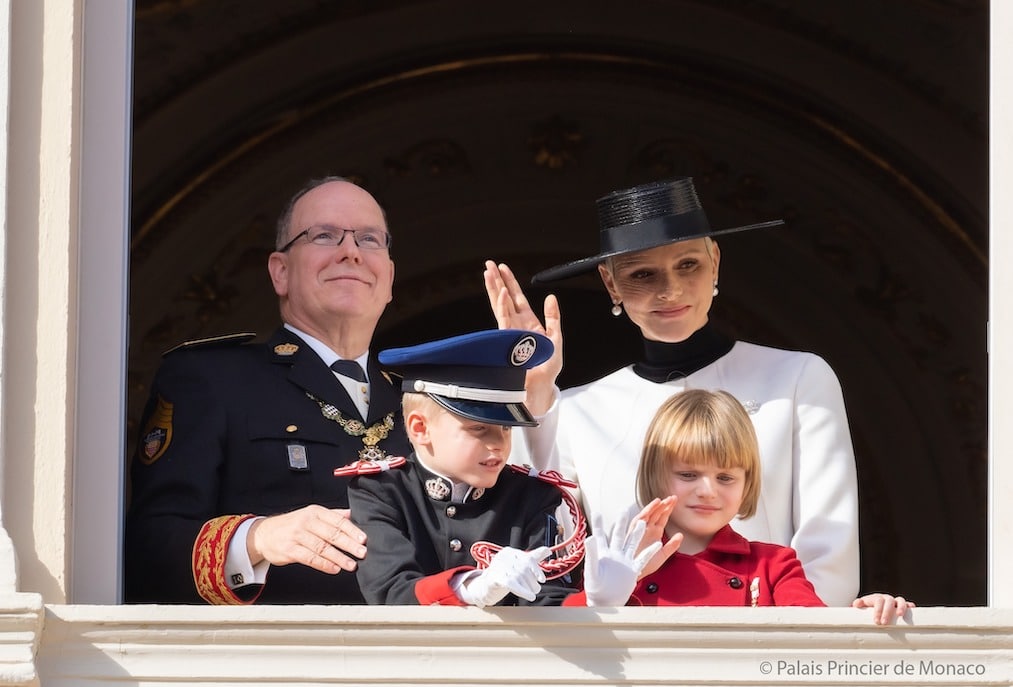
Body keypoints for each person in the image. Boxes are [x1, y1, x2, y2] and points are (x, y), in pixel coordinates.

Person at [484, 176, 860, 606]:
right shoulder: (575, 409)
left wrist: (800, 653)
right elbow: (540, 541)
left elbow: (829, 544)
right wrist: (534, 393)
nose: (671, 289)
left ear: (715, 262)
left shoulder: (799, 379)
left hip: (766, 649)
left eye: (688, 264)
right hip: (629, 659)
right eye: (643, 273)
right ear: (611, 284)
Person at [124, 176, 411, 604]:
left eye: (369, 239)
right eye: (325, 235)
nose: (351, 251)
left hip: (417, 664)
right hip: (273, 664)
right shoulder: (211, 378)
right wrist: (256, 539)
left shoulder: (426, 401)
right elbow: (148, 552)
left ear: (388, 277)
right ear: (280, 271)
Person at [564, 389, 912, 625]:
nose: (707, 491)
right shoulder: (616, 563)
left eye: (726, 478)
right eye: (688, 474)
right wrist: (599, 604)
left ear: (747, 484)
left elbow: (816, 635)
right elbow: (565, 653)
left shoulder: (774, 565)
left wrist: (866, 614)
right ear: (655, 475)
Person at [342, 328, 599, 606]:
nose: (498, 444)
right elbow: (390, 590)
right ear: (420, 428)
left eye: (506, 428)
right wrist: (464, 588)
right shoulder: (381, 491)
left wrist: (601, 601)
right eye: (478, 428)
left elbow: (548, 603)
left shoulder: (532, 496)